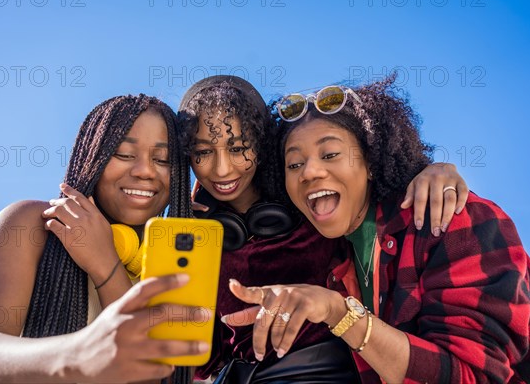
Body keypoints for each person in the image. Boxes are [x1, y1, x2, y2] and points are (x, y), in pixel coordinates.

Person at [223, 75, 530, 383]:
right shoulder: (334, 257)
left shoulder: (452, 219)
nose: (309, 172)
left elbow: (472, 376)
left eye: (330, 153)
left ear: (371, 164)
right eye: (294, 164)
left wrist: (341, 314)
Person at [177, 75, 471, 382]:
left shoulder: (312, 204)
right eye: (203, 153)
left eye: (238, 148)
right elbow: (197, 357)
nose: (222, 169)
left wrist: (432, 170)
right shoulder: (192, 229)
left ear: (262, 144)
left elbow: (370, 182)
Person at [0, 94, 207, 384]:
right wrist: (76, 355)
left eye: (162, 160)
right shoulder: (32, 224)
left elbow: (151, 377)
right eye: (124, 154)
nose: (145, 171)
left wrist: (105, 265)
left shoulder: (178, 264)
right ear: (92, 159)